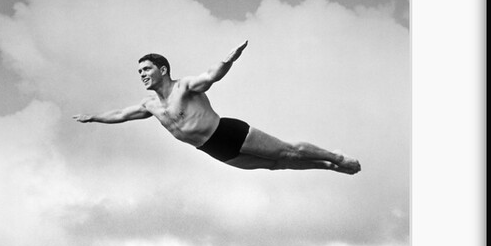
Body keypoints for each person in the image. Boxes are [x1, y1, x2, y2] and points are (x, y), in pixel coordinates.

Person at [73, 41, 361, 174]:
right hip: (214, 149)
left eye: (147, 69)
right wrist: (93, 117)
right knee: (277, 165)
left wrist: (228, 60)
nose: (142, 74)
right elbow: (121, 115)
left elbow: (210, 76)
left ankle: (335, 156)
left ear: (162, 69)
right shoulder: (151, 106)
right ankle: (326, 166)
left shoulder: (184, 87)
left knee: (288, 151)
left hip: (228, 133)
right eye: (139, 71)